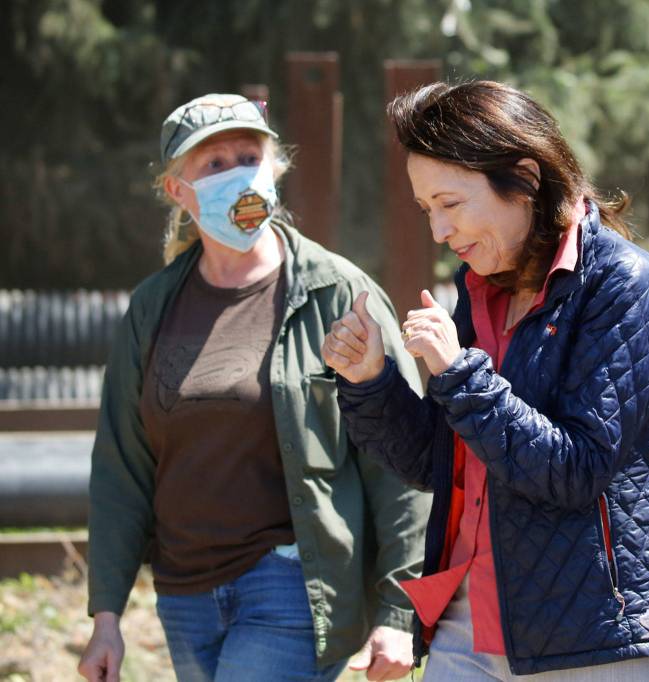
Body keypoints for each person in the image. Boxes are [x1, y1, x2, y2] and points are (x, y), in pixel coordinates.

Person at [320, 80, 649, 679]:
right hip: (467, 623)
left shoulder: (627, 287)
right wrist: (372, 380)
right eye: (427, 211)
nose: (439, 232)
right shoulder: (478, 292)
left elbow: (575, 471)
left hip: (596, 637)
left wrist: (459, 373)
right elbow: (439, 463)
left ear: (522, 179)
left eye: (450, 203)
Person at [77, 93, 430, 682]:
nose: (237, 174)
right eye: (213, 165)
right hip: (184, 595)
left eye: (249, 156)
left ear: (275, 168)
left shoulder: (340, 295)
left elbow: (401, 456)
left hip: (291, 582)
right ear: (177, 191)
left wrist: (398, 608)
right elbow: (122, 469)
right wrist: (106, 615)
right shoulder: (152, 308)